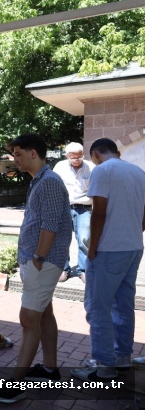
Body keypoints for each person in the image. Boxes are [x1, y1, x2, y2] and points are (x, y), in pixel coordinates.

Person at [0, 133, 71, 404]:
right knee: (43, 314)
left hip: (43, 262)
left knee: (28, 320)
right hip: (41, 261)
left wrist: (38, 256)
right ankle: (49, 369)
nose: (14, 159)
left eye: (18, 154)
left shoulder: (48, 181)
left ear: (33, 153)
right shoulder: (41, 180)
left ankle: (16, 382)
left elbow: (50, 225)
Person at [71, 138, 145, 383]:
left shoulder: (102, 171)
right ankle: (122, 357)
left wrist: (92, 248)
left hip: (108, 250)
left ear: (94, 154)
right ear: (118, 152)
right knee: (123, 304)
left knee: (97, 306)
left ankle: (104, 364)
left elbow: (98, 212)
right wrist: (135, 231)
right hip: (133, 247)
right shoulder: (138, 171)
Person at [53, 142, 94, 283]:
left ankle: (84, 270)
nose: (76, 159)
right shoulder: (60, 167)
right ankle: (64, 269)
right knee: (62, 239)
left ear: (83, 154)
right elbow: (54, 186)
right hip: (64, 207)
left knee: (84, 239)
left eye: (79, 156)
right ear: (67, 156)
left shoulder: (91, 167)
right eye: (73, 157)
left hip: (84, 208)